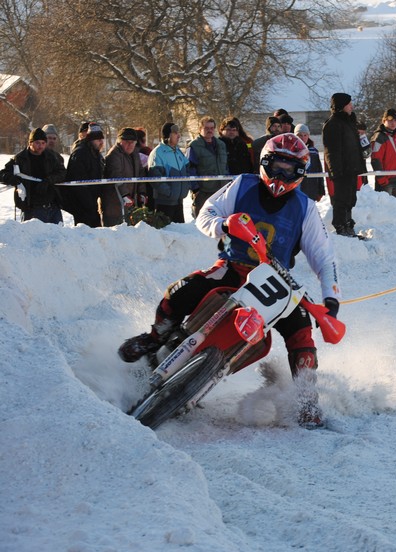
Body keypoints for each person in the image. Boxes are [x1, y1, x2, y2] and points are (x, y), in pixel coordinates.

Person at [118, 133, 340, 427]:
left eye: (290, 169)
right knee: (181, 291)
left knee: (301, 331)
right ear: (265, 163)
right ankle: (154, 337)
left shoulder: (305, 207)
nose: (281, 174)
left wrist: (331, 299)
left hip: (275, 280)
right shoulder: (242, 185)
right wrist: (224, 224)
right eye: (277, 165)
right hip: (233, 266)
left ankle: (306, 400)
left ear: (300, 173)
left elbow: (323, 257)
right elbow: (204, 213)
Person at [322, 92, 366, 237]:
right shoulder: (333, 124)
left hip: (352, 169)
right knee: (341, 200)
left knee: (350, 199)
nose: (351, 106)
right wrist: (336, 171)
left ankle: (348, 225)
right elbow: (331, 151)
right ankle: (340, 227)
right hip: (341, 171)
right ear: (341, 106)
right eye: (348, 104)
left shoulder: (349, 122)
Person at [0, 127, 66, 224]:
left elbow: (62, 173)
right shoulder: (20, 159)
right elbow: (2, 174)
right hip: (32, 208)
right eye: (37, 143)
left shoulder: (51, 156)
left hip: (52, 206)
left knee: (58, 237)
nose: (41, 146)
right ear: (30, 143)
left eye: (43, 143)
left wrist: (48, 181)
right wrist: (12, 178)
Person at [101, 127, 147, 226]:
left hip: (130, 203)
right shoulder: (114, 154)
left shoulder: (135, 154)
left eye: (133, 142)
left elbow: (140, 173)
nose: (130, 145)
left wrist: (142, 192)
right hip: (114, 204)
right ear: (120, 141)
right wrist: (125, 195)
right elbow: (116, 175)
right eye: (126, 142)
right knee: (115, 231)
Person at [186, 115, 229, 218]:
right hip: (203, 193)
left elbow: (226, 167)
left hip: (221, 192)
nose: (210, 130)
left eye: (212, 128)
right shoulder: (194, 147)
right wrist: (195, 189)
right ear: (200, 129)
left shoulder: (221, 145)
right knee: (202, 222)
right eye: (206, 128)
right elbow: (189, 169)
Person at [147, 122, 190, 223]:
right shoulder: (158, 153)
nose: (178, 136)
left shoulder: (178, 151)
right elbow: (155, 178)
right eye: (175, 133)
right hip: (164, 203)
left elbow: (187, 170)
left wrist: (186, 187)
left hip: (179, 201)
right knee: (166, 235)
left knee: (180, 235)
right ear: (167, 136)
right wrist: (169, 193)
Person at [66, 122, 106, 227]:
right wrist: (89, 204)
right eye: (98, 140)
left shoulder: (95, 153)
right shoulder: (80, 153)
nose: (101, 142)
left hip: (93, 202)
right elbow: (78, 181)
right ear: (91, 140)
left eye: (102, 139)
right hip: (82, 204)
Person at [369, 108, 396, 198]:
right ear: (384, 121)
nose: (393, 123)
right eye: (390, 120)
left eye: (395, 120)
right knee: (385, 210)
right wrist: (382, 180)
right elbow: (375, 160)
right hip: (386, 183)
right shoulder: (379, 137)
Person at [293, 124, 325, 202]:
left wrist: (321, 190)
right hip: (296, 188)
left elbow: (319, 171)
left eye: (305, 135)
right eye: (299, 135)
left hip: (311, 188)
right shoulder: (290, 151)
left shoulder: (313, 151)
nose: (303, 138)